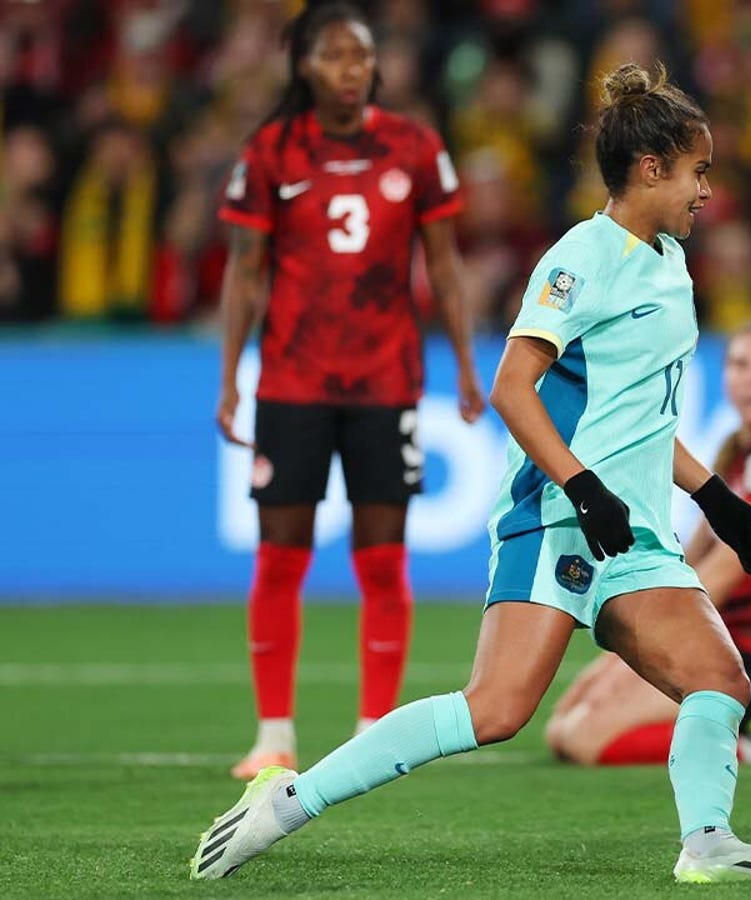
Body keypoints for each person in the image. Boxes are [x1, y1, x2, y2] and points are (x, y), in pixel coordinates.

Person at [191, 62, 751, 884]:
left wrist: (711, 492)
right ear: (651, 168)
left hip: (633, 534)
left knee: (720, 678)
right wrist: (582, 487)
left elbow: (637, 415)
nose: (707, 190)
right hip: (561, 519)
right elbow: (511, 387)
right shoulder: (581, 259)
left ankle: (708, 843)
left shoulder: (671, 261)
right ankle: (285, 802)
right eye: (698, 171)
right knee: (493, 711)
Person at [215, 3, 484, 781]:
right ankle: (274, 733)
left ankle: (376, 730)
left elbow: (446, 265)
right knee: (279, 557)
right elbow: (244, 272)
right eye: (335, 56)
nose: (351, 69)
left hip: (385, 382)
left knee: (382, 560)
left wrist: (466, 362)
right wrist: (232, 375)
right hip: (294, 384)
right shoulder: (271, 151)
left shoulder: (416, 147)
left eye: (361, 56)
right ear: (304, 64)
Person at [543, 325, 751, 767]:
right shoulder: (739, 452)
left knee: (584, 738)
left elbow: (721, 572)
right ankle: (726, 732)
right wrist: (626, 654)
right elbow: (692, 558)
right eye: (740, 364)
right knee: (561, 726)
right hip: (713, 639)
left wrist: (652, 639)